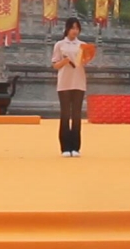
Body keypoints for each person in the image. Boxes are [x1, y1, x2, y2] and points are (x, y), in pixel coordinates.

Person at [50, 17, 87, 157]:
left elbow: (85, 61)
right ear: (67, 29)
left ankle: (75, 147)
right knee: (65, 114)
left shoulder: (82, 45)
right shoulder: (60, 45)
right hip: (64, 82)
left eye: (77, 28)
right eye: (72, 28)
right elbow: (55, 64)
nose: (74, 31)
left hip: (78, 81)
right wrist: (64, 61)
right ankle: (65, 147)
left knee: (76, 115)